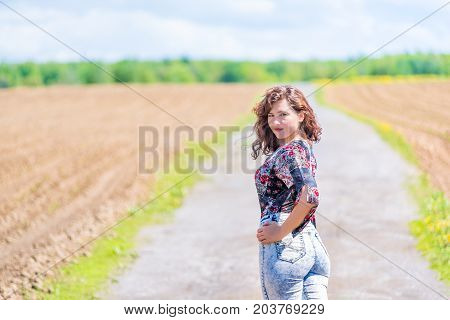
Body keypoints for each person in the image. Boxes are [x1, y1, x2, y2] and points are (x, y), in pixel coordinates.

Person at [252, 85, 330, 300]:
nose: (276, 122)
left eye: (284, 114)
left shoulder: (291, 151)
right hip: (312, 247)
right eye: (271, 115)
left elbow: (310, 195)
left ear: (301, 115)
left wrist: (279, 232)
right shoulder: (302, 147)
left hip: (287, 250)